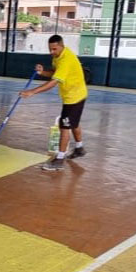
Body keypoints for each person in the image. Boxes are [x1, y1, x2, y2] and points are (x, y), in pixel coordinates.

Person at [20, 34, 87, 171]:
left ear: (62, 46)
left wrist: (32, 91)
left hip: (74, 97)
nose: (51, 52)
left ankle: (59, 160)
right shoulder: (58, 57)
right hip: (74, 94)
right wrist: (42, 72)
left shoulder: (66, 60)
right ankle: (79, 148)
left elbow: (53, 82)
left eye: (54, 49)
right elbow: (55, 73)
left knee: (64, 125)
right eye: (50, 49)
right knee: (73, 122)